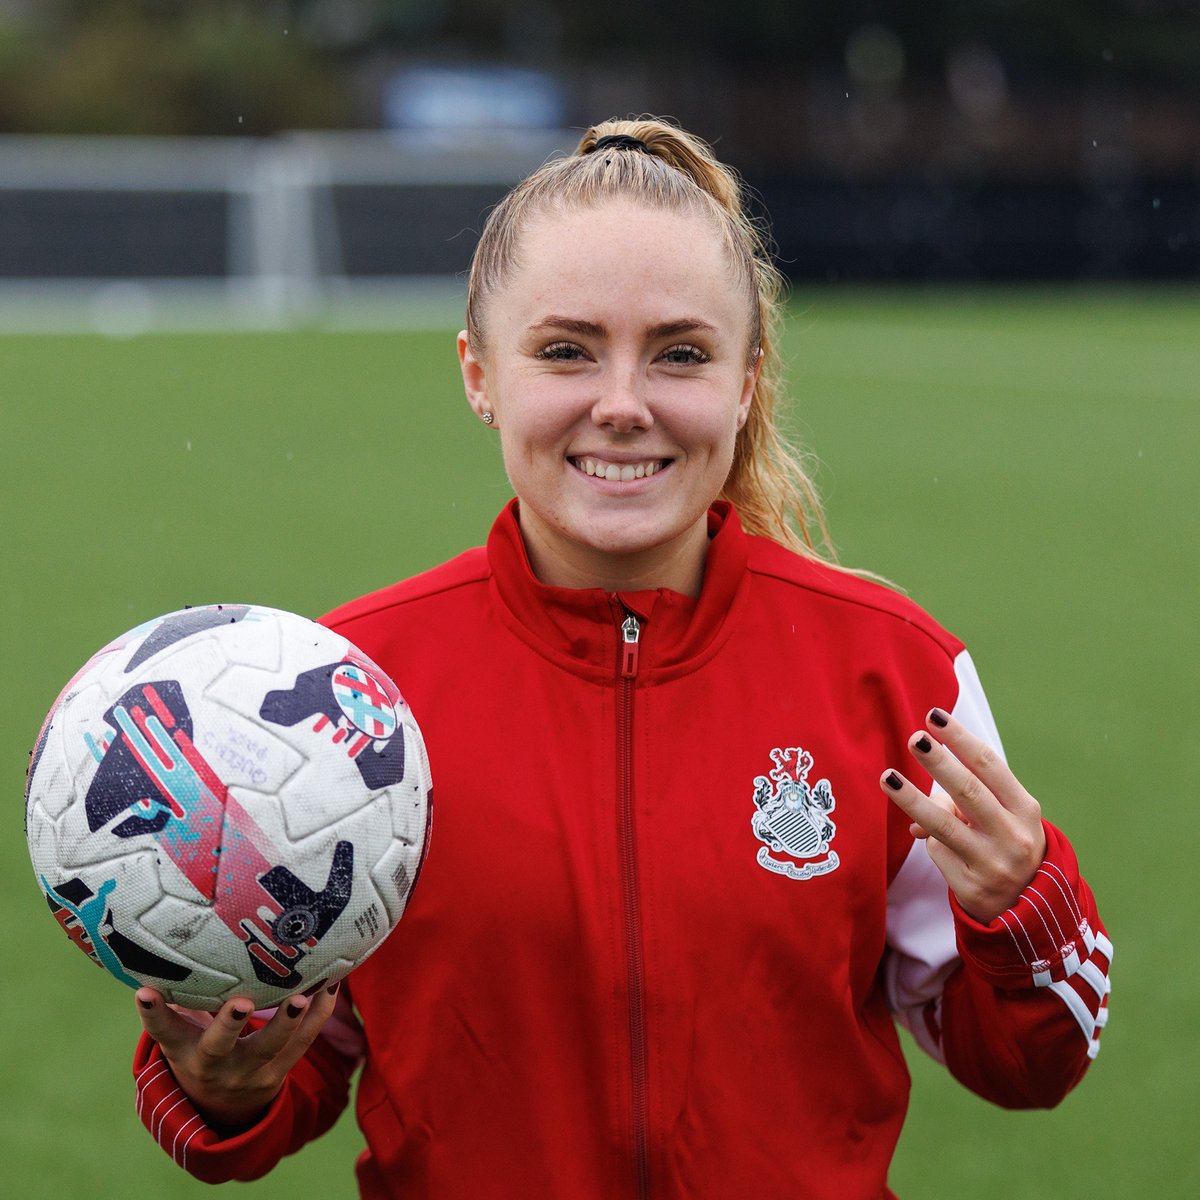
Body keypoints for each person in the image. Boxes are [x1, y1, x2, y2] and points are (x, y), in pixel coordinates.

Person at [131, 118, 1111, 1199]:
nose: (623, 404)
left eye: (681, 354)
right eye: (565, 350)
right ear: (478, 375)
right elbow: (303, 1049)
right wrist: (224, 1087)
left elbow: (1026, 1065)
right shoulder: (344, 691)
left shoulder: (893, 675)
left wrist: (1023, 909)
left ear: (747, 382)